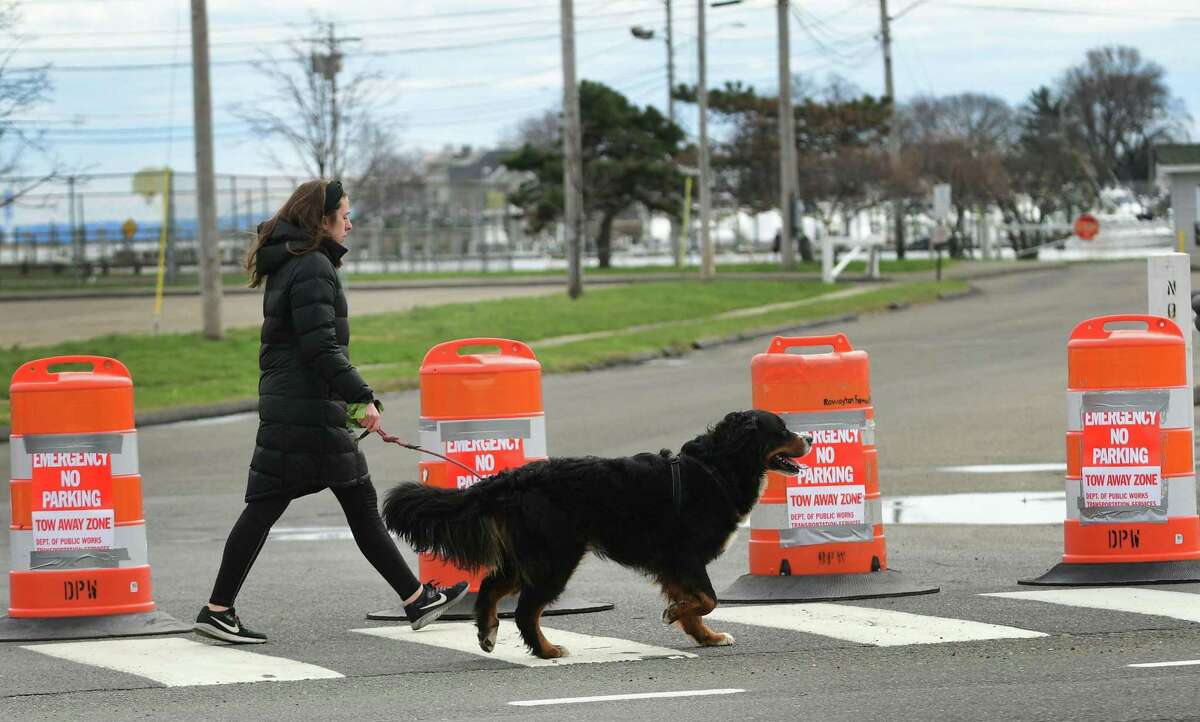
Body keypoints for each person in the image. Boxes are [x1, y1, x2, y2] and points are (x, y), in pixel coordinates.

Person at [193, 179, 468, 644]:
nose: (350, 222)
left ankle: (415, 598)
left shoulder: (296, 261)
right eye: (344, 214)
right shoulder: (313, 267)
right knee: (316, 504)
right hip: (307, 407)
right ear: (322, 220)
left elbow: (311, 344)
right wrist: (361, 397)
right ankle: (219, 609)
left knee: (314, 504)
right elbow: (320, 345)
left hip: (299, 403)